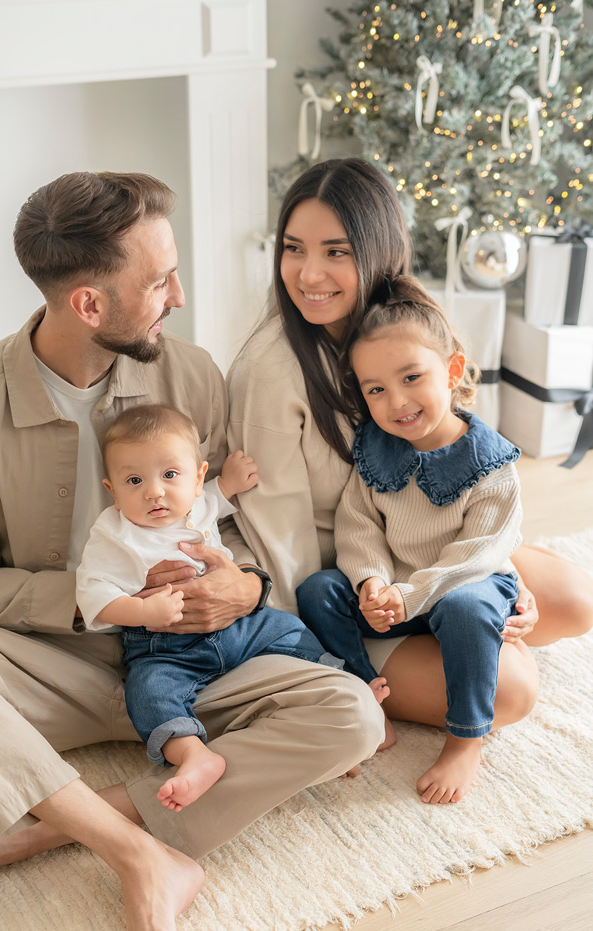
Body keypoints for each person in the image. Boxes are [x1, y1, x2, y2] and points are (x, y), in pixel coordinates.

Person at [0, 171, 385, 931]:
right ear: (88, 304)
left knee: (352, 715)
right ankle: (140, 857)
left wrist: (242, 588)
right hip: (54, 665)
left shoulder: (190, 374)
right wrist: (103, 608)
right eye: (158, 281)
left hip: (198, 660)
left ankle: (48, 821)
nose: (179, 294)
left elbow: (236, 522)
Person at [227, 156, 593, 767]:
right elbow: (281, 543)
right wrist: (341, 632)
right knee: (514, 689)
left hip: (432, 537)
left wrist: (500, 579)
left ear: (376, 250)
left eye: (336, 252)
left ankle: (469, 628)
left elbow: (464, 450)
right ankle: (426, 664)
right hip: (355, 573)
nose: (309, 273)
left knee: (575, 599)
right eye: (294, 248)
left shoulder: (403, 318)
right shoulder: (271, 371)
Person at [297, 276, 525, 804]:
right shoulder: (377, 449)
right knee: (317, 590)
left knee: (468, 607)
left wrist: (410, 593)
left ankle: (467, 738)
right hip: (398, 593)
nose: (395, 401)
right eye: (376, 389)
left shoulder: (491, 464)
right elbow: (359, 524)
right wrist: (372, 582)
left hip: (463, 587)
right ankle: (366, 701)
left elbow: (480, 554)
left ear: (451, 371)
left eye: (411, 378)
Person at [76, 402, 356, 812]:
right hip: (165, 647)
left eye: (170, 475)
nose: (155, 491)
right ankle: (192, 754)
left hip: (236, 627)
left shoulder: (198, 504)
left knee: (287, 627)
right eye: (134, 480)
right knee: (148, 691)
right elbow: (93, 592)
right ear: (112, 491)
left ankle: (340, 681)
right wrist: (141, 613)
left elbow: (216, 497)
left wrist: (231, 481)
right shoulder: (113, 534)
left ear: (196, 477)